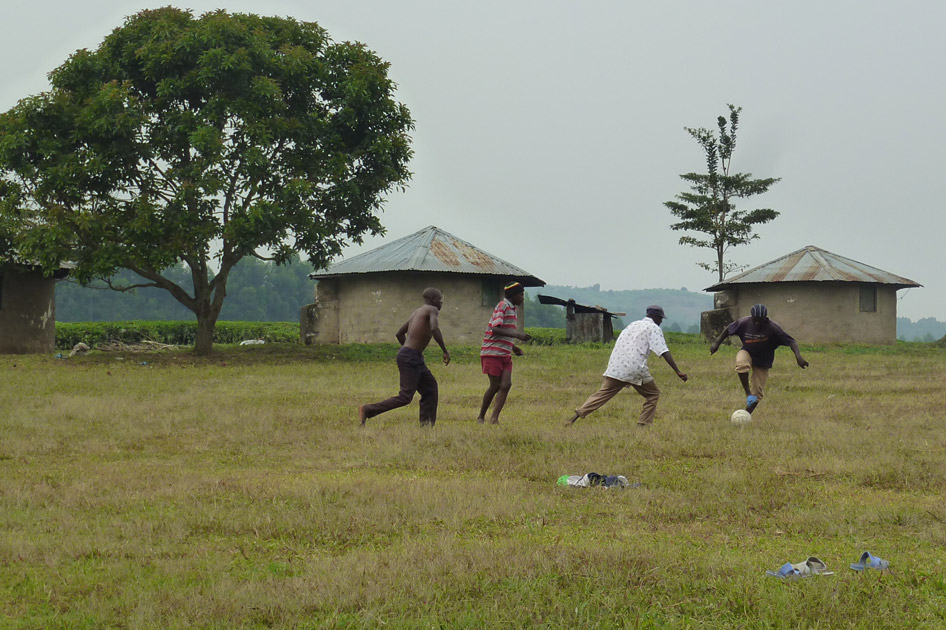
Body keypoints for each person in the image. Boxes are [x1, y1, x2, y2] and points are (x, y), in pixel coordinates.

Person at [565, 305, 687, 427]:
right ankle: (643, 424)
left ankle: (573, 418)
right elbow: (663, 351)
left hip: (616, 366)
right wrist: (677, 371)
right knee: (653, 394)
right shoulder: (653, 328)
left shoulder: (633, 325)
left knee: (602, 394)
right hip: (634, 368)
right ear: (655, 317)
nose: (661, 321)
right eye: (660, 318)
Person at [358, 287, 450, 427]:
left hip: (411, 356)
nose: (441, 302)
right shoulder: (432, 309)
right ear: (432, 299)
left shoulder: (416, 313)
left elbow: (399, 334)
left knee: (430, 388)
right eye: (440, 299)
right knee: (405, 397)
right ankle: (368, 410)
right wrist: (444, 350)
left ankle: (426, 426)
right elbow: (434, 328)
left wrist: (411, 350)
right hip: (410, 356)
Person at [710, 303, 808, 414]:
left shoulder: (773, 328)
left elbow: (791, 341)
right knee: (741, 363)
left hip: (763, 360)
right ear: (752, 318)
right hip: (747, 352)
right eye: (755, 320)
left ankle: (746, 414)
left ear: (765, 319)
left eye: (760, 321)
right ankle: (748, 393)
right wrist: (716, 344)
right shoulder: (744, 323)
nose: (757, 323)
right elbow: (728, 329)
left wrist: (798, 357)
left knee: (757, 394)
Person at [477, 281, 532, 424]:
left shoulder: (513, 309)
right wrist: (517, 335)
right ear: (513, 295)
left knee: (506, 385)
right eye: (521, 295)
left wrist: (513, 347)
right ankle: (481, 416)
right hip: (492, 353)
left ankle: (494, 418)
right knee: (495, 386)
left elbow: (505, 332)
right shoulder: (502, 306)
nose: (523, 298)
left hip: (505, 354)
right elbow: (495, 329)